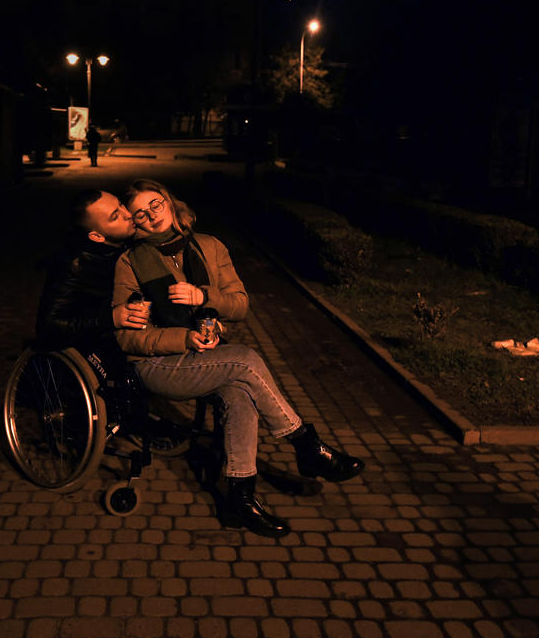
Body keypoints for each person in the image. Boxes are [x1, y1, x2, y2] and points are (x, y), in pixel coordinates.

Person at [112, 179, 364, 538]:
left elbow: (240, 305)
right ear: (134, 223)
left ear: (168, 201)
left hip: (206, 357)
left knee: (239, 392)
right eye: (140, 213)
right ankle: (306, 446)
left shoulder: (210, 247)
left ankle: (239, 500)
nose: (151, 216)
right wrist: (183, 336)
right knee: (245, 361)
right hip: (157, 364)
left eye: (155, 204)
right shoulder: (130, 262)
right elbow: (127, 338)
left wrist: (203, 296)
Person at [35, 189, 149, 376]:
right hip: (89, 341)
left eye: (120, 204)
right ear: (97, 236)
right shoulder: (75, 263)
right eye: (115, 217)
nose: (128, 215)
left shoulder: (128, 242)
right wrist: (110, 318)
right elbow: (49, 324)